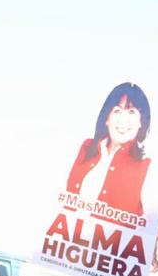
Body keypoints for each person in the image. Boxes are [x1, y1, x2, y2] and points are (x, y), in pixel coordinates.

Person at [64, 82, 152, 217]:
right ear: (107, 118)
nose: (123, 119)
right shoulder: (86, 148)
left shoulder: (146, 166)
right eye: (117, 111)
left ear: (141, 122)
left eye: (131, 112)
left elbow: (150, 226)